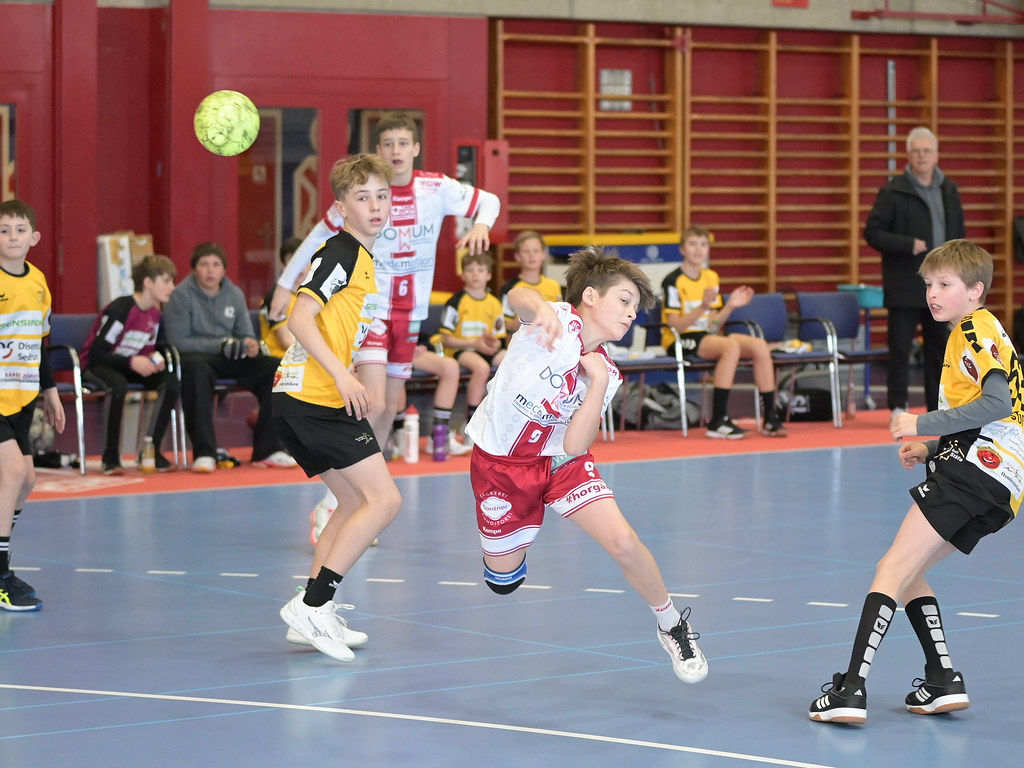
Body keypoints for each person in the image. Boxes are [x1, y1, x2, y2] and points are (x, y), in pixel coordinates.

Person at [466, 245, 708, 685]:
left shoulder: (608, 373)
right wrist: (540, 307)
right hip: (502, 465)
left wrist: (595, 380)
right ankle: (516, 534)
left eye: (635, 308)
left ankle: (671, 624)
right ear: (591, 296)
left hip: (561, 462)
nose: (631, 313)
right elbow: (517, 295)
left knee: (624, 542)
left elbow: (575, 444)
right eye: (625, 300)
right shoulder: (555, 319)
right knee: (502, 582)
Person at [808, 239, 1019, 724]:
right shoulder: (986, 330)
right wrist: (931, 446)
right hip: (1002, 484)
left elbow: (998, 403)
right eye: (928, 284)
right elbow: (993, 419)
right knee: (908, 573)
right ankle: (941, 679)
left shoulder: (971, 329)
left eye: (945, 284)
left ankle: (850, 689)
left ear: (975, 290)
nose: (933, 293)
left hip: (973, 471)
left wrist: (920, 423)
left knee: (891, 567)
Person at [273, 112, 500, 527]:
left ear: (415, 149)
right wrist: (285, 284)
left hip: (410, 313)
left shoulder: (433, 188)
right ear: (379, 149)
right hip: (372, 309)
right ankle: (339, 499)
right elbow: (317, 236)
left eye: (403, 142)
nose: (396, 150)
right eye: (389, 143)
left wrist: (481, 225)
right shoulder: (359, 201)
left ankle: (357, 496)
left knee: (390, 404)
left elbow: (490, 200)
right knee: (374, 401)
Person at [275, 153, 402, 662]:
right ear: (341, 207)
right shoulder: (341, 251)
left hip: (307, 397)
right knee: (384, 501)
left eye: (382, 196)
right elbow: (298, 317)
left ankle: (314, 611)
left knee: (351, 503)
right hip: (313, 397)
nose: (375, 205)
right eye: (362, 197)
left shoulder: (363, 258)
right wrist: (342, 374)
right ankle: (312, 607)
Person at [163, 242, 295, 473]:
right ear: (194, 269)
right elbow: (178, 341)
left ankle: (267, 450)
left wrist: (249, 344)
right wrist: (219, 345)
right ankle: (205, 453)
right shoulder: (180, 296)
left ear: (224, 270)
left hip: (231, 356)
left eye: (216, 265)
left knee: (278, 369)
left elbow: (245, 333)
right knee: (195, 368)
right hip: (197, 357)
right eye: (204, 264)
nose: (210, 270)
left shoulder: (234, 294)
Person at [864, 126, 965, 418]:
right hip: (904, 285)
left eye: (926, 151)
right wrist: (906, 244)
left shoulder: (949, 190)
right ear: (908, 155)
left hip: (942, 288)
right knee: (900, 349)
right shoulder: (893, 190)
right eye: (916, 151)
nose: (921, 156)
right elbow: (872, 232)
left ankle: (936, 408)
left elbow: (959, 235)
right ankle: (898, 406)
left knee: (940, 351)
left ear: (936, 154)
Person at [660, 225, 786, 439]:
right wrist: (703, 306)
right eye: (693, 244)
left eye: (703, 244)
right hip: (679, 339)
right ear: (682, 249)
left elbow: (712, 325)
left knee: (759, 346)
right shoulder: (672, 281)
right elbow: (675, 326)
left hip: (705, 336)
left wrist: (730, 305)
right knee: (730, 346)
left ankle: (771, 417)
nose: (698, 249)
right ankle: (718, 420)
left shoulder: (711, 277)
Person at [0, 200, 65, 611]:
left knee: (27, 480)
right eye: (3, 230)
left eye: (20, 229)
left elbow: (37, 345)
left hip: (21, 396)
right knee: (11, 472)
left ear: (34, 237)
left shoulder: (39, 282)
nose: (12, 237)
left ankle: (3, 566)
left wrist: (51, 391)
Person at [82, 254, 180, 475]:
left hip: (127, 366)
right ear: (148, 282)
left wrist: (154, 361)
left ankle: (151, 451)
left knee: (170, 383)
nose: (172, 287)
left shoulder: (155, 315)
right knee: (118, 385)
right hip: (98, 365)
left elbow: (146, 350)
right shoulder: (121, 310)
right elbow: (97, 354)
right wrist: (132, 361)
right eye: (166, 281)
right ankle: (110, 457)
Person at [439, 251, 506, 442]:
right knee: (481, 368)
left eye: (480, 270)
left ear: (489, 275)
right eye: (470, 270)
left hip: (485, 349)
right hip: (461, 349)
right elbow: (446, 339)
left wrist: (492, 343)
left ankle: (500, 415)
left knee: (510, 361)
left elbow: (499, 339)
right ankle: (470, 423)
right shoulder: (456, 301)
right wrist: (474, 344)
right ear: (463, 275)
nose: (475, 274)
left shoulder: (494, 303)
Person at [499, 230, 562, 335]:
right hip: (523, 341)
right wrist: (530, 317)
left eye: (536, 251)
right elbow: (504, 326)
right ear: (517, 256)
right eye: (526, 251)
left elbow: (561, 318)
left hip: (548, 341)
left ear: (543, 254)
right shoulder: (510, 288)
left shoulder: (554, 286)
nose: (531, 255)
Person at [259, 237, 304, 359]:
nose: (299, 265)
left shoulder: (311, 295)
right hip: (279, 360)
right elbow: (286, 342)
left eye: (303, 259)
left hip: (305, 360)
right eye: (292, 260)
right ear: (283, 265)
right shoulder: (275, 297)